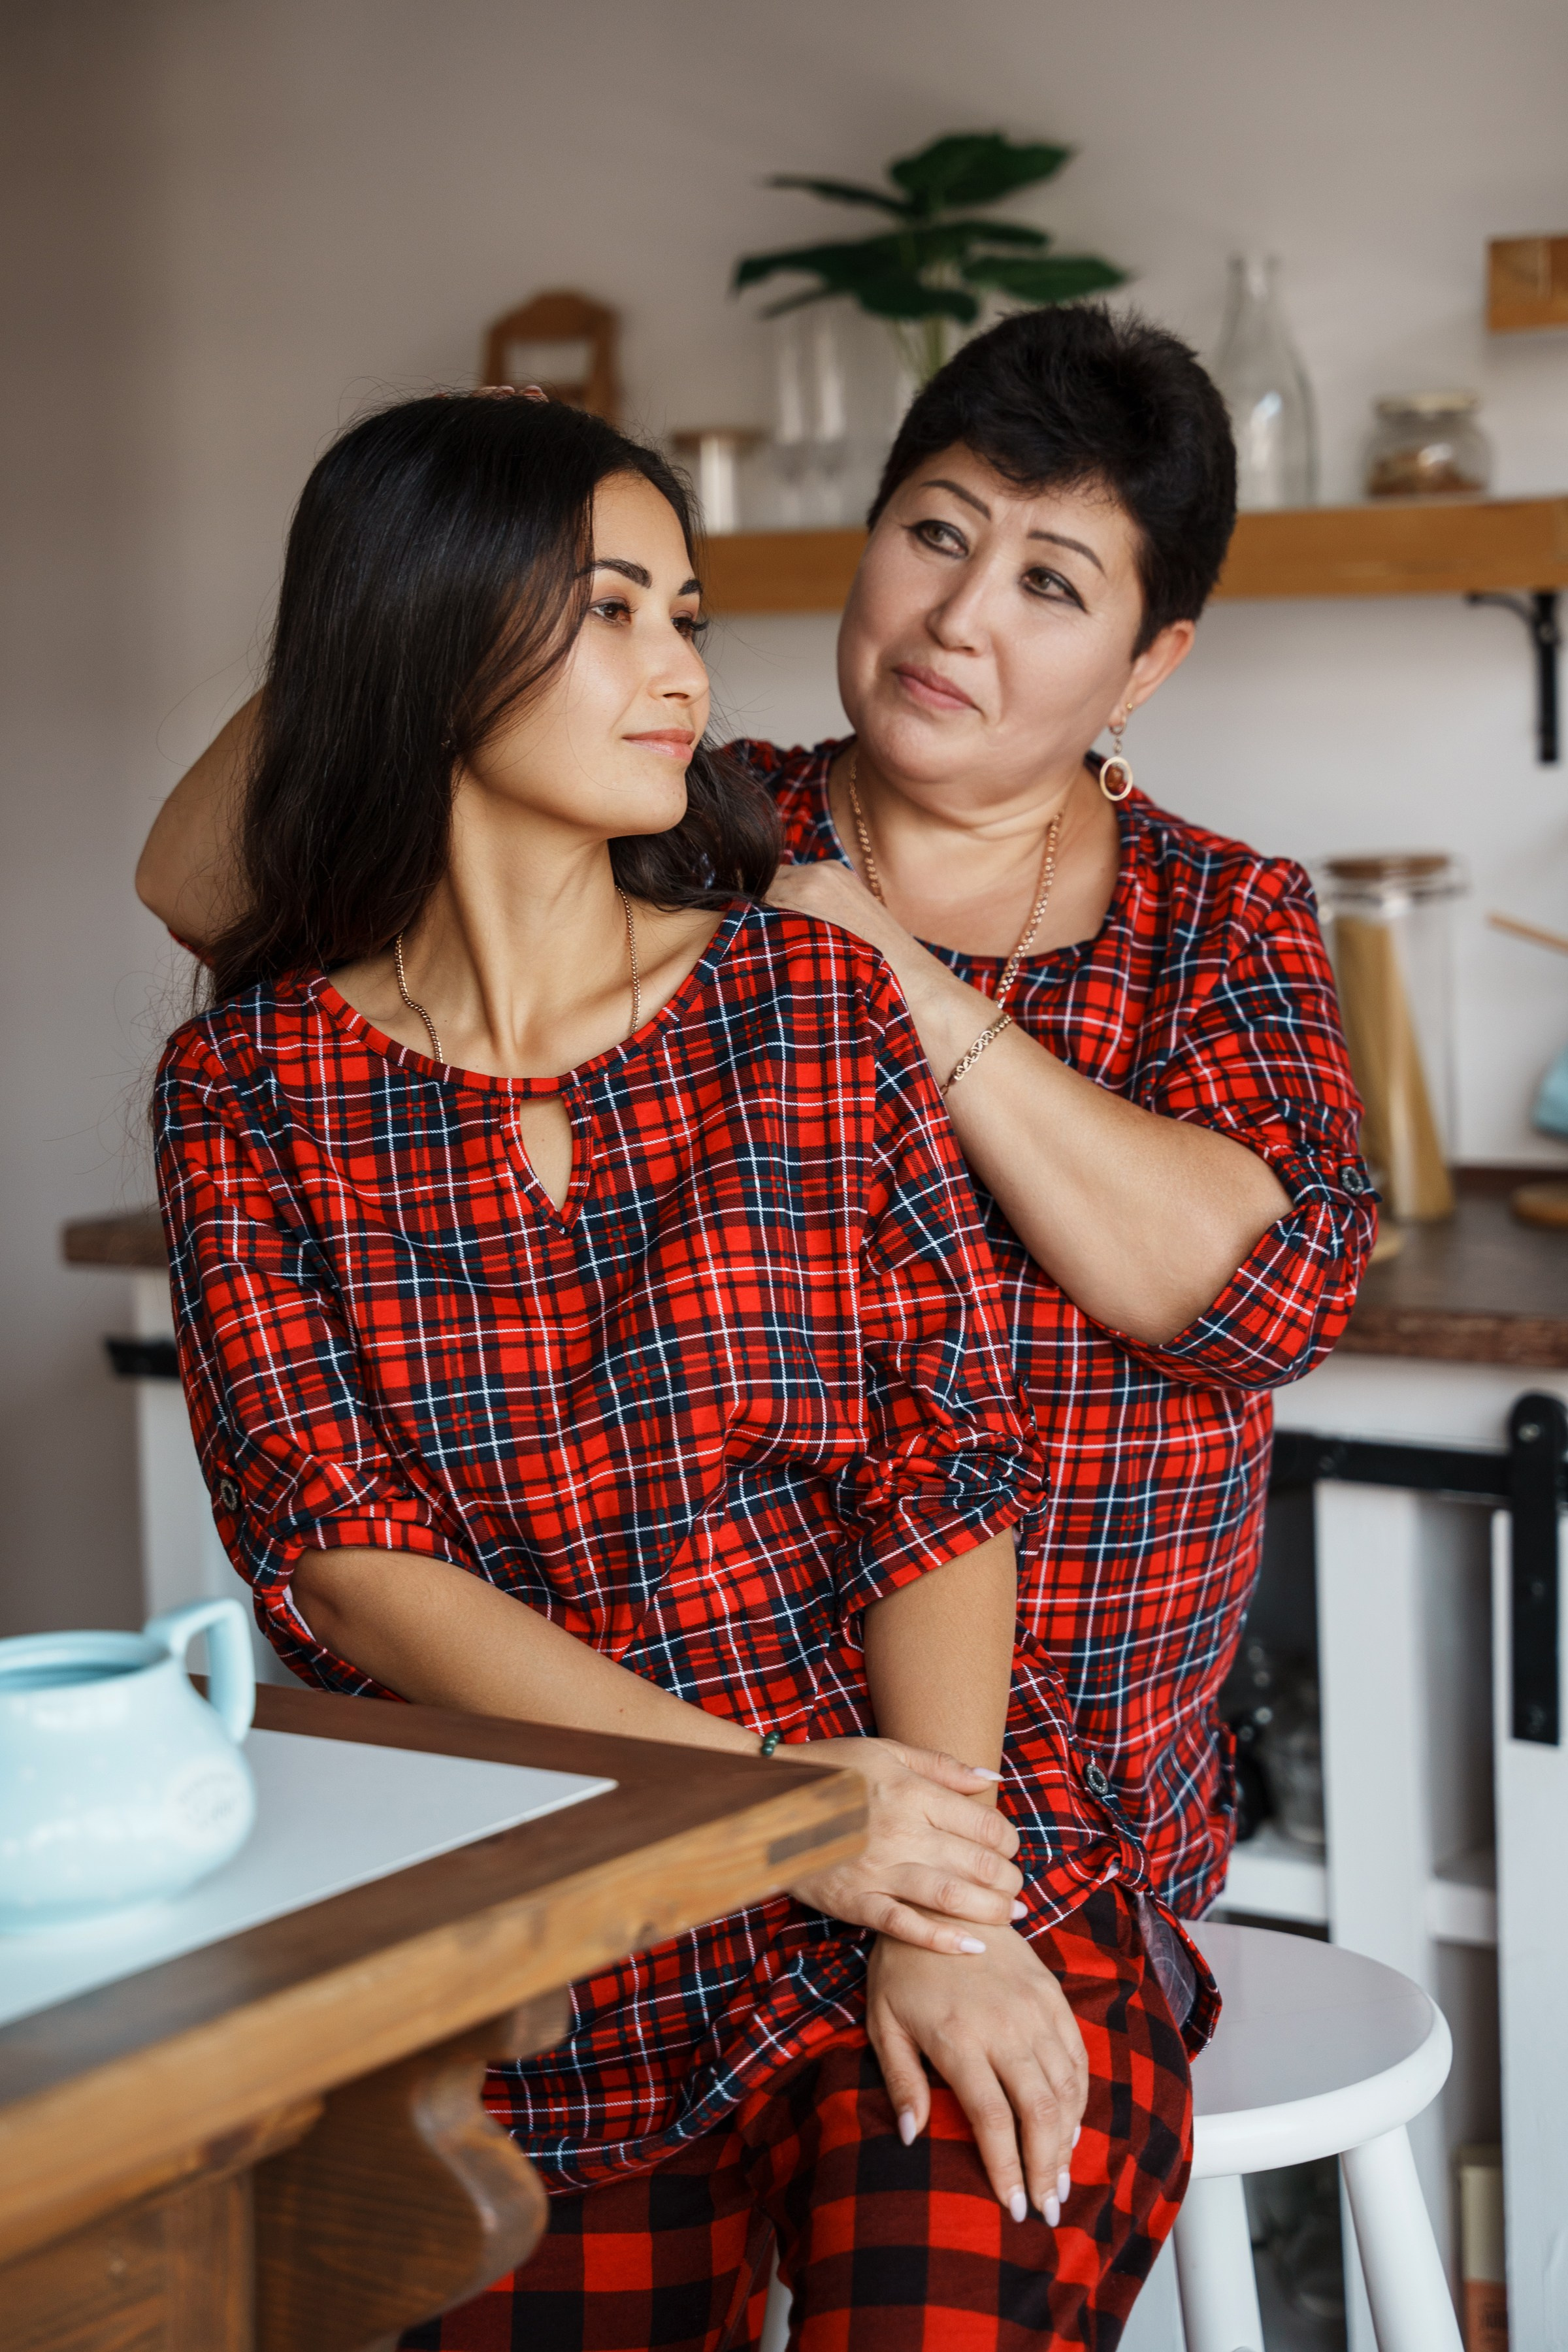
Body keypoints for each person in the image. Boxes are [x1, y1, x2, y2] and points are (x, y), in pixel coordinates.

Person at [154, 391, 1201, 2351]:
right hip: (545, 1930)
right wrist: (780, 1814)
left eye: (688, 615)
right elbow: (342, 1557)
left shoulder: (806, 993)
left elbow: (942, 1464)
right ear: (434, 632)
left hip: (924, 1847)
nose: (686, 676)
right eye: (613, 611)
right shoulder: (248, 1090)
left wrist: (931, 1896)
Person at [140, 305, 1374, 1932]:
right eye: (935, 534)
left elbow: (1259, 1297)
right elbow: (204, 881)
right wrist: (443, 548)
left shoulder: (1218, 918)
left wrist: (895, 979)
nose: (959, 618)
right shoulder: (694, 815)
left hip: (1074, 1810)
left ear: (1151, 663)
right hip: (707, 1769)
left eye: (1051, 584)